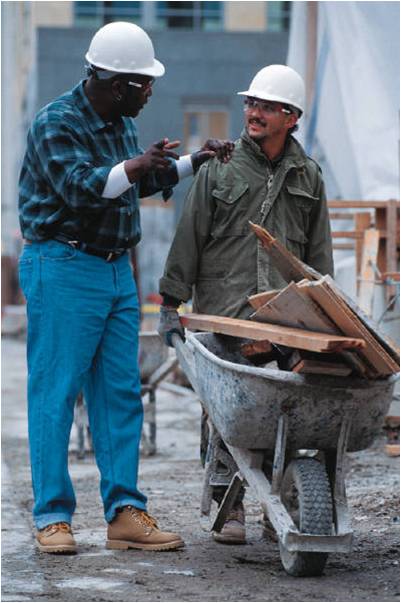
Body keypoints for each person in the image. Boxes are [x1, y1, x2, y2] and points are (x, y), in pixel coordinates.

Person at [18, 21, 233, 555]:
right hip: (63, 265)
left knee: (119, 393)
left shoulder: (115, 119)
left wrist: (187, 163)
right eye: (145, 84)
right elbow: (82, 189)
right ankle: (53, 517)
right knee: (57, 393)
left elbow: (132, 183)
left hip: (115, 272)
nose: (151, 92)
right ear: (118, 84)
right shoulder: (56, 124)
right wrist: (134, 165)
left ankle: (124, 512)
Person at [158, 64, 334, 544]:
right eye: (251, 104)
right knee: (225, 413)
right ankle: (227, 501)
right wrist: (171, 303)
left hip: (285, 319)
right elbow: (189, 236)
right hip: (225, 311)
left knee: (291, 410)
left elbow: (318, 255)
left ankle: (286, 498)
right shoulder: (221, 164)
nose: (254, 113)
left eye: (266, 106)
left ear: (291, 117)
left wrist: (325, 313)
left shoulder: (308, 177)